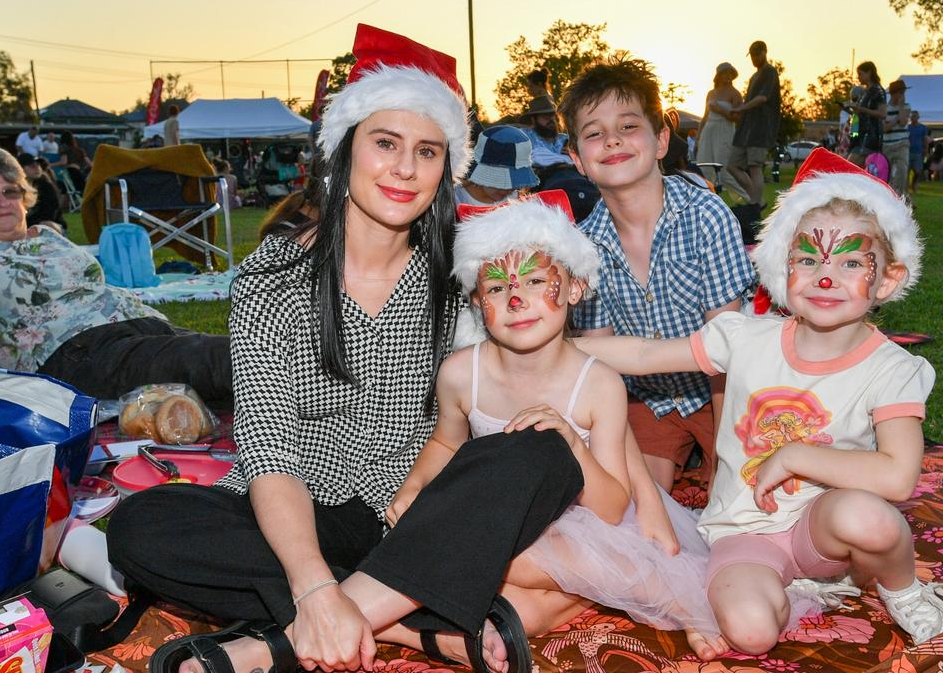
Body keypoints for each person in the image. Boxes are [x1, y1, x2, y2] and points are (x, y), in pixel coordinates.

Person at [107, 24, 585, 673]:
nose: (405, 169)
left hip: (415, 508)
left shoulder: (462, 273)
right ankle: (406, 625)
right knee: (142, 527)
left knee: (543, 453)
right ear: (344, 149)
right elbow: (267, 440)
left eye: (427, 151)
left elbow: (503, 388)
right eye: (385, 143)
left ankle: (281, 641)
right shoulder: (273, 275)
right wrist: (310, 584)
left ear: (448, 167)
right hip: (296, 507)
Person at [577, 148, 941, 652]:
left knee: (870, 518)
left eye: (852, 261)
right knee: (750, 634)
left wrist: (793, 455)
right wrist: (557, 344)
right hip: (743, 530)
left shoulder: (893, 368)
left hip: (824, 529)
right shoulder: (744, 337)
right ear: (780, 266)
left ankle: (905, 591)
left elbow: (899, 476)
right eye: (807, 259)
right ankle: (791, 590)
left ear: (888, 278)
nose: (826, 277)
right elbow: (642, 351)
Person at [397, 194, 730, 661]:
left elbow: (613, 507)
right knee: (518, 597)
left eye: (536, 281)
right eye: (496, 289)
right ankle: (567, 596)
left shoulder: (598, 384)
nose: (517, 300)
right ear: (476, 300)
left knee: (508, 586)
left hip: (585, 521)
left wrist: (572, 443)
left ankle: (673, 598)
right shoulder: (459, 373)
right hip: (501, 517)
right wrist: (413, 485)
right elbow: (445, 442)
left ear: (574, 287)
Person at [560, 55, 755, 492]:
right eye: (594, 133)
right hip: (645, 399)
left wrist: (726, 457)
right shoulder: (583, 247)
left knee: (746, 494)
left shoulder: (707, 215)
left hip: (722, 391)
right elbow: (599, 360)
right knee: (635, 508)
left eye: (629, 126)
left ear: (661, 140)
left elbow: (728, 353)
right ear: (576, 158)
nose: (612, 141)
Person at [0, 145, 231, 403]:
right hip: (80, 354)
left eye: (10, 191)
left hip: (143, 326)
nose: (2, 201)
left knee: (249, 352)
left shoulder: (47, 236)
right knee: (224, 360)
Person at [727, 41, 780, 209]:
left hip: (761, 127)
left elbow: (762, 98)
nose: (755, 58)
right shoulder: (754, 77)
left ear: (765, 52)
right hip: (746, 128)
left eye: (757, 54)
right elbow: (750, 101)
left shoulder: (770, 72)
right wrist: (739, 112)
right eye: (752, 55)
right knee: (732, 165)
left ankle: (755, 205)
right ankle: (757, 200)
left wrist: (742, 107)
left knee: (755, 166)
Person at [695, 62, 747, 200]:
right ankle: (709, 198)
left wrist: (721, 110)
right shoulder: (711, 93)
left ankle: (749, 199)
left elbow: (738, 118)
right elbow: (705, 116)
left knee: (723, 169)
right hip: (708, 130)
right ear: (719, 76)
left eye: (731, 74)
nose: (728, 76)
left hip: (724, 130)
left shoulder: (735, 94)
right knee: (704, 167)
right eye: (725, 73)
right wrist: (698, 138)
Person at [454, 125, 538, 206]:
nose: (506, 190)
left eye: (514, 183)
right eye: (499, 181)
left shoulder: (515, 199)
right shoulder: (457, 198)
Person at [845, 61, 887, 168]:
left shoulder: (878, 91)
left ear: (869, 73)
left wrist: (862, 110)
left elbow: (882, 113)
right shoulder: (864, 92)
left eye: (860, 74)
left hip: (870, 137)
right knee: (853, 169)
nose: (858, 77)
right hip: (858, 136)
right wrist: (853, 110)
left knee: (850, 168)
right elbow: (860, 113)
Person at [523, 94, 571, 175]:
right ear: (533, 120)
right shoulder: (525, 137)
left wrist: (576, 155)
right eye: (545, 117)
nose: (551, 120)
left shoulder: (566, 139)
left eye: (552, 115)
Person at [18, 153, 65, 232]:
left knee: (45, 224)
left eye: (38, 165)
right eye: (32, 166)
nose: (37, 168)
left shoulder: (45, 186)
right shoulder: (15, 189)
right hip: (25, 229)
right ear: (21, 170)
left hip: (51, 227)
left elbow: (50, 214)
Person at [883, 80, 911, 196]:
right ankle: (887, 196)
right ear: (894, 93)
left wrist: (900, 107)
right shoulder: (885, 108)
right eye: (900, 92)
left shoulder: (906, 106)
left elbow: (904, 122)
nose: (902, 95)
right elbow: (885, 128)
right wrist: (896, 119)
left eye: (903, 92)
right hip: (886, 145)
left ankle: (900, 196)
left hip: (902, 144)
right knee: (886, 172)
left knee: (902, 171)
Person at [908, 110, 929, 192]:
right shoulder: (907, 127)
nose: (913, 118)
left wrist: (926, 150)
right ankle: (906, 189)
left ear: (918, 117)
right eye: (912, 116)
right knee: (907, 171)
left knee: (917, 172)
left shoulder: (923, 127)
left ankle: (913, 184)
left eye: (915, 116)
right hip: (908, 152)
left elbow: (925, 139)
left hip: (919, 152)